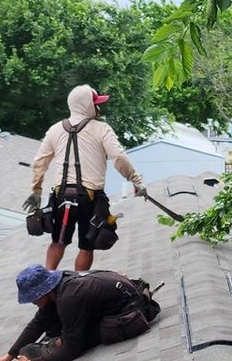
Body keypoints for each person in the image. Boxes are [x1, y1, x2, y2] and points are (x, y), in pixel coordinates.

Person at [26, 83, 145, 274]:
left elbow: (39, 162)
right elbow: (119, 157)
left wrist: (36, 192)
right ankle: (79, 282)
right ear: (86, 105)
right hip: (89, 198)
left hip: (61, 196)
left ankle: (48, 283)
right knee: (87, 245)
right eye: (95, 104)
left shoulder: (56, 130)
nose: (98, 108)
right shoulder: (101, 129)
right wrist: (136, 181)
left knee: (58, 241)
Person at [0, 264, 145, 361]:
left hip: (132, 312)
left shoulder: (69, 297)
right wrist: (7, 358)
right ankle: (57, 341)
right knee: (56, 320)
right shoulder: (59, 285)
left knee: (73, 340)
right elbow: (38, 323)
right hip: (122, 300)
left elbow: (73, 349)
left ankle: (56, 343)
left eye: (32, 297)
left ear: (42, 291)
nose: (32, 302)